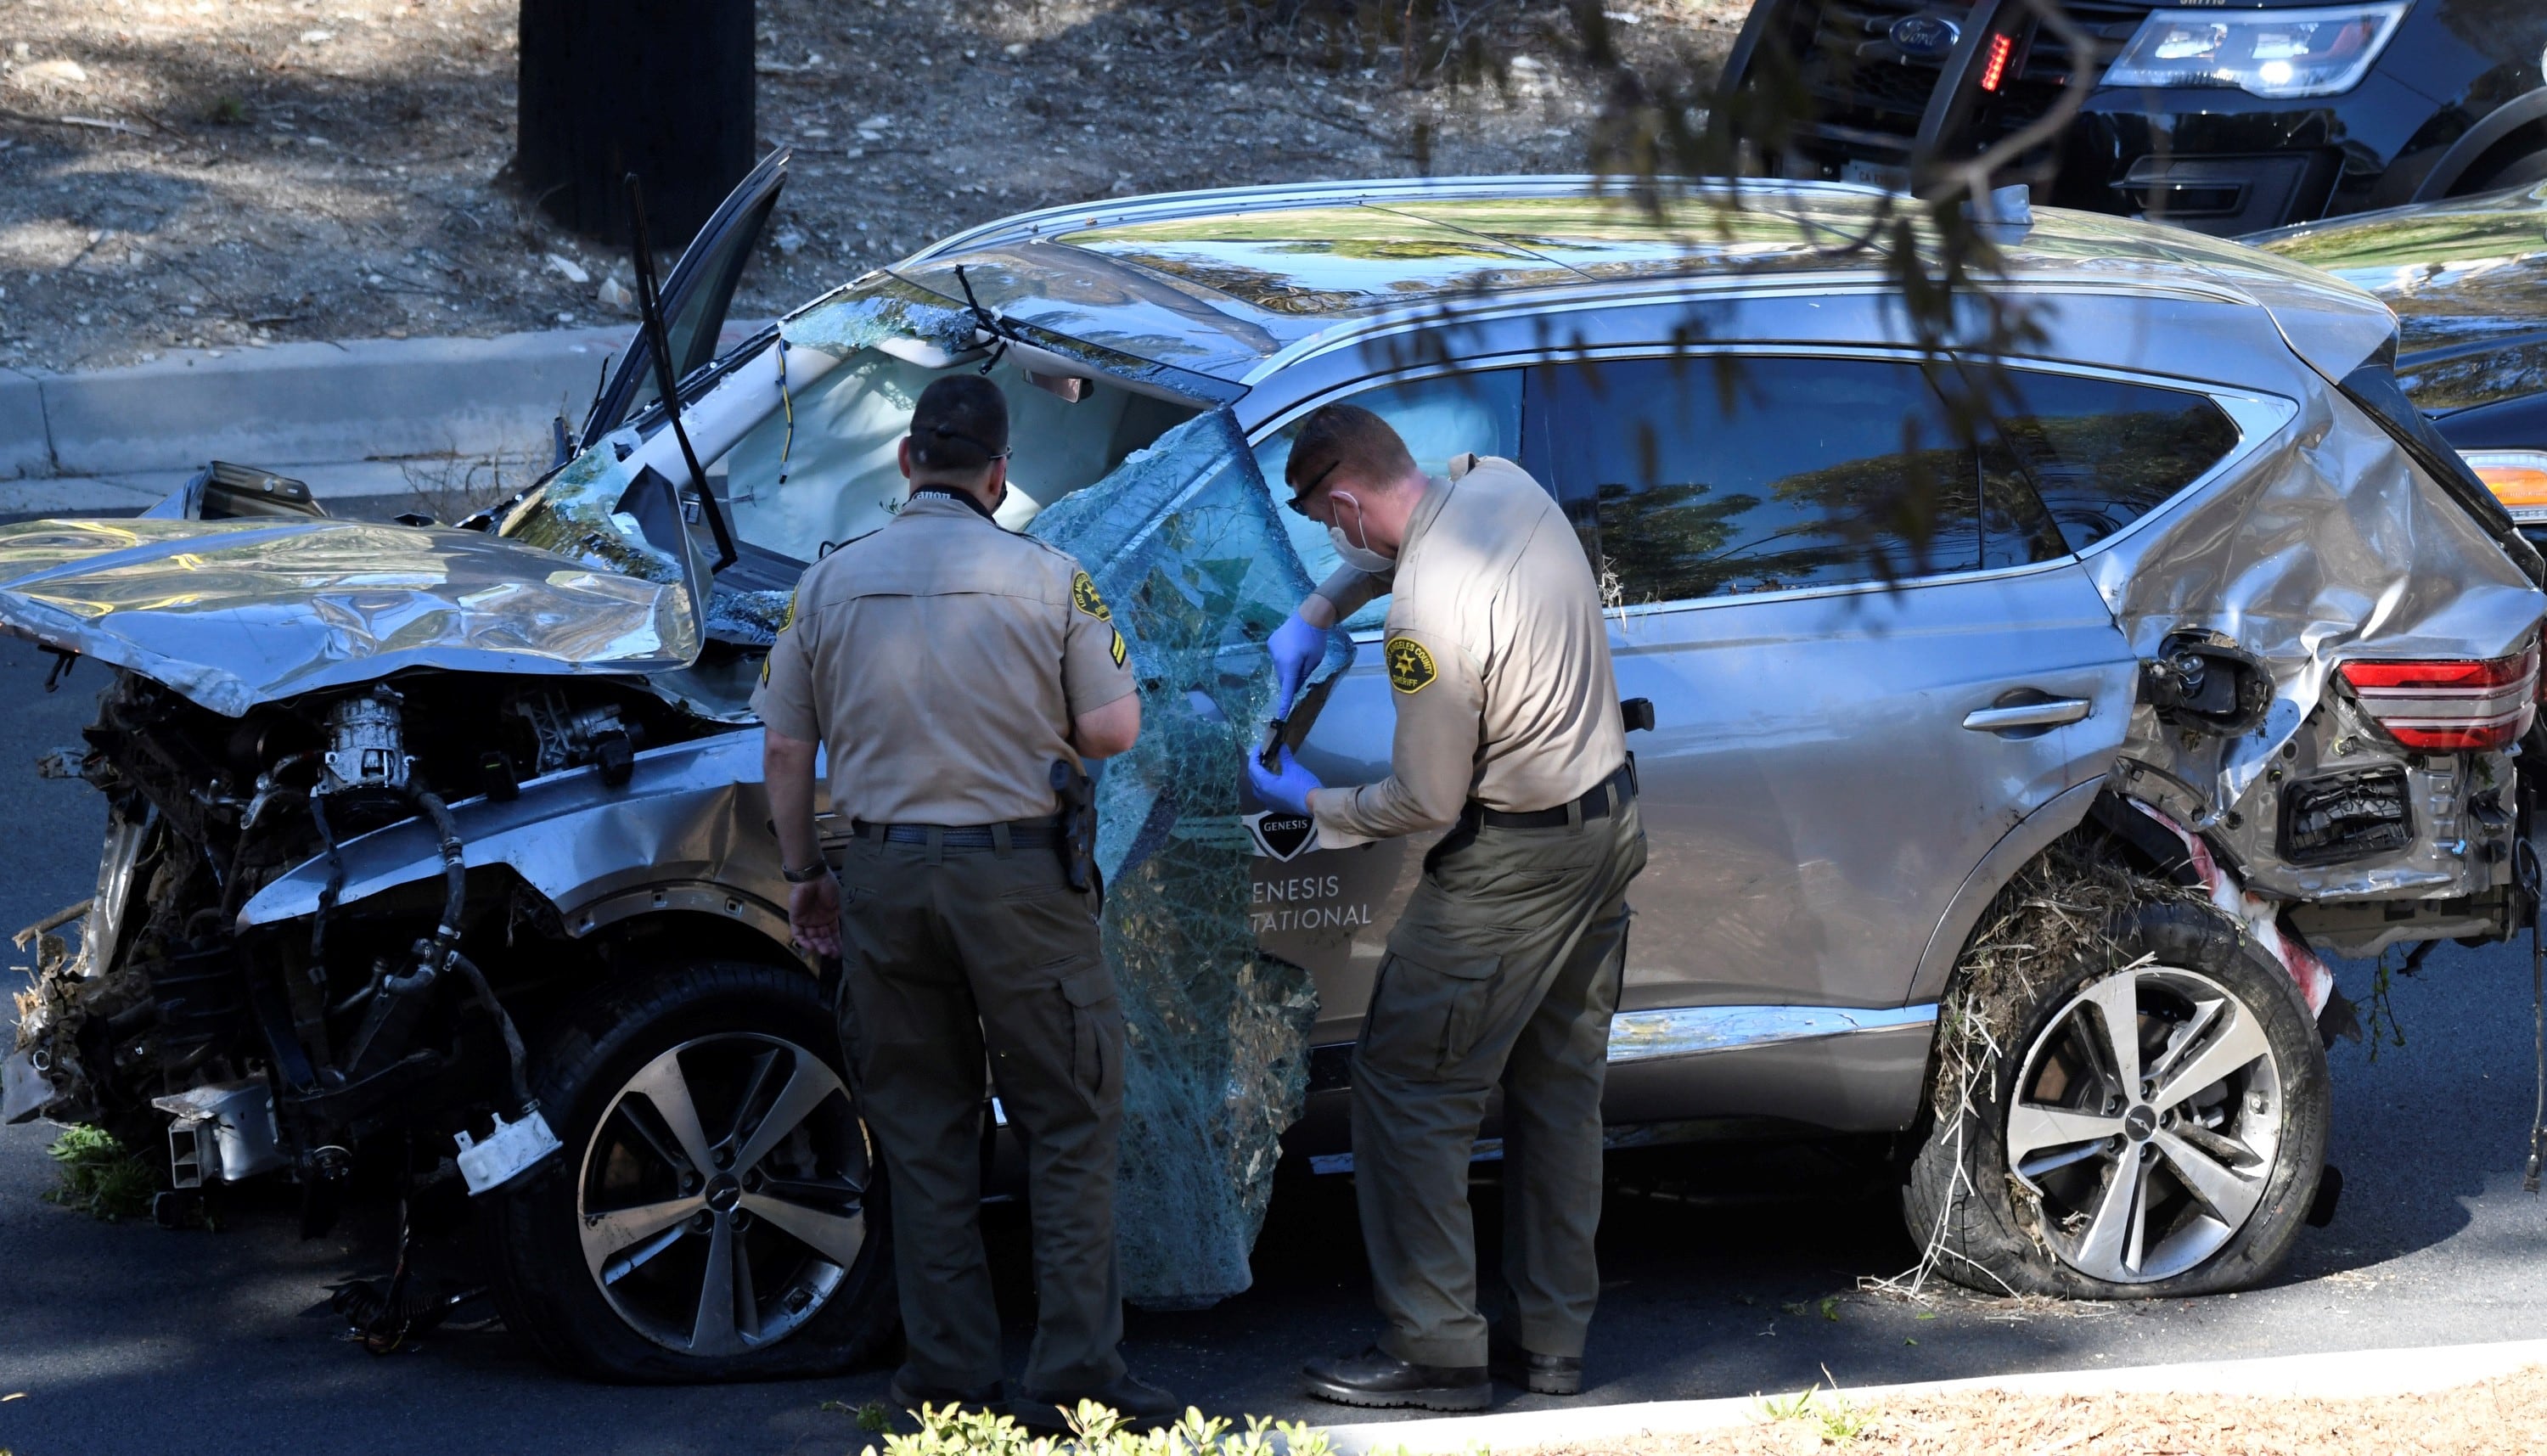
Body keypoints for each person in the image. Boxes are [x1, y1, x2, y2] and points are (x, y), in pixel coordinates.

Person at [756, 374, 1177, 1432]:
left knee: (923, 1129)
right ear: (999, 475)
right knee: (1070, 1119)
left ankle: (946, 1375)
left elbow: (784, 744)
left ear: (905, 461)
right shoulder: (1050, 578)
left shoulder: (828, 586)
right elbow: (1117, 729)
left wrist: (807, 869)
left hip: (886, 880)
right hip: (1021, 883)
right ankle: (1079, 1373)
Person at [1250, 405, 1647, 1412]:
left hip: (1512, 866)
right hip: (1607, 831)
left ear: (1342, 501)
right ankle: (1552, 1339)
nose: (1335, 541)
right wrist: (1323, 605)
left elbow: (1423, 799)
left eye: (1327, 525)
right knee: (1558, 1091)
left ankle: (1437, 1348)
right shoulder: (1499, 484)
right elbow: (1401, 538)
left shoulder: (1425, 613)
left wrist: (1306, 800)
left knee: (1408, 1084)